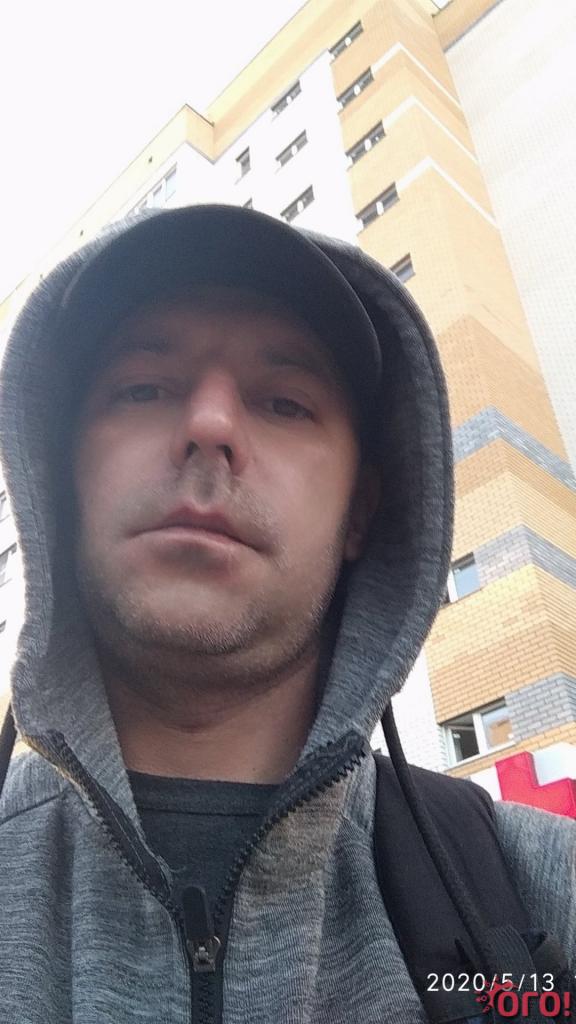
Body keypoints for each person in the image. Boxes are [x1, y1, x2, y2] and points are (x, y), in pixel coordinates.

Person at [0, 204, 573, 1024]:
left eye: (285, 403)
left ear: (361, 511)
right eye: (143, 387)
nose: (209, 425)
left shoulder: (533, 886)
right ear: (59, 479)